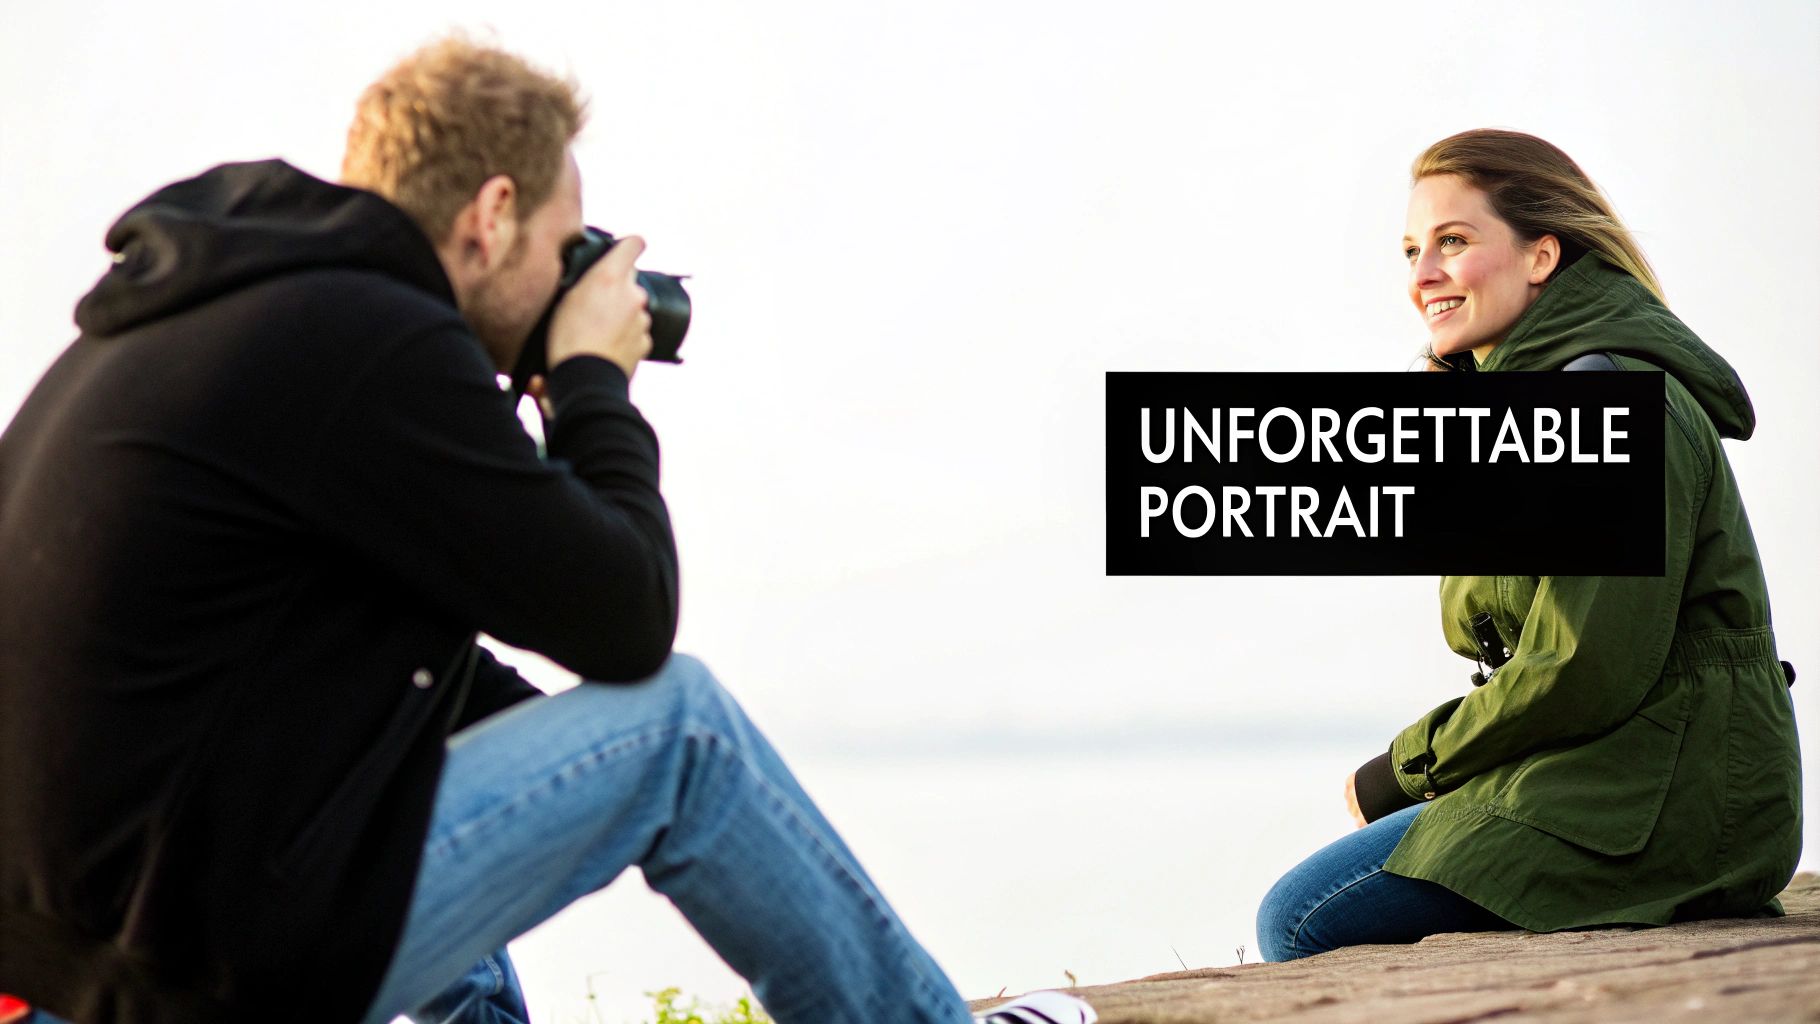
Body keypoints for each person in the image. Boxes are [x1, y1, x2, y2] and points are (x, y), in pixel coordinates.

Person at [0, 37, 1097, 1024]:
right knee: (683, 735)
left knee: (431, 755)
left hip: (80, 965)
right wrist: (585, 382)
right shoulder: (372, 341)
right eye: (565, 242)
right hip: (193, 971)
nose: (576, 274)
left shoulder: (242, 308)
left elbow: (404, 676)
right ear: (489, 214)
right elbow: (626, 624)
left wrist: (568, 776)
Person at [1254, 129, 1803, 961]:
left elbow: (1584, 667)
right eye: (1411, 251)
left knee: (1302, 915)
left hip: (1672, 798)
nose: (1422, 276)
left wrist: (1404, 768)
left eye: (1453, 242)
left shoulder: (1616, 405)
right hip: (1616, 771)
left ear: (1541, 256)